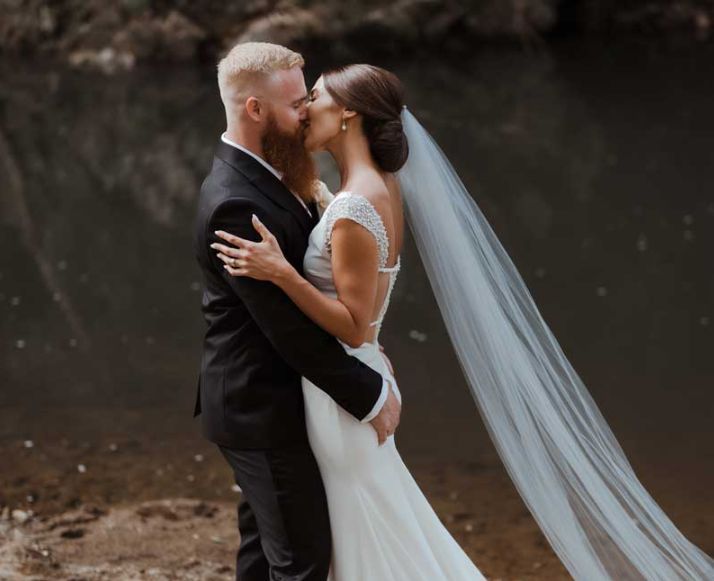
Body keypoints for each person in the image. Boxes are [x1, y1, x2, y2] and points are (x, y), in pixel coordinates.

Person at [213, 59, 714, 580]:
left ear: (347, 115)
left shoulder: (356, 206)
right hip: (347, 380)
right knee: (373, 530)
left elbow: (354, 325)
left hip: (341, 395)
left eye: (314, 97)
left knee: (367, 537)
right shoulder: (370, 190)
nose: (305, 110)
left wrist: (282, 274)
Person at [192, 42, 402, 581]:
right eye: (295, 104)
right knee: (301, 562)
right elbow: (282, 327)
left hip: (283, 400)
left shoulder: (282, 169)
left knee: (266, 551)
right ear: (255, 110)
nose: (307, 111)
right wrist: (367, 392)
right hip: (261, 404)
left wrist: (369, 347)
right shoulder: (234, 202)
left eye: (310, 98)